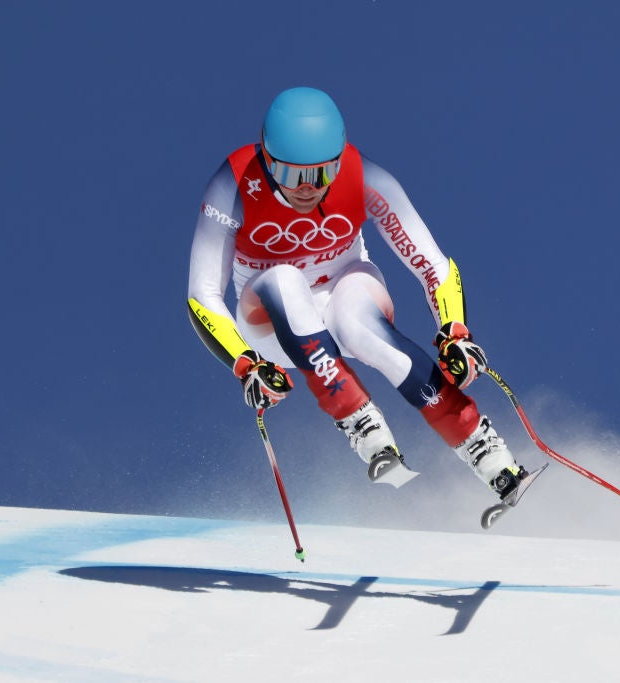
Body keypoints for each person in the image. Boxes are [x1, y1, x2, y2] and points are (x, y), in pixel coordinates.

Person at [187, 86, 528, 498]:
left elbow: (432, 263)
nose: (308, 188)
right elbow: (203, 292)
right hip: (270, 326)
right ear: (266, 158)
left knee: (359, 323)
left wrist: (454, 330)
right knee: (284, 279)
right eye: (293, 175)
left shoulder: (364, 176)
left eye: (322, 173)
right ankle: (363, 425)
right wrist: (246, 364)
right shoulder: (234, 184)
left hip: (343, 289)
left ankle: (488, 455)